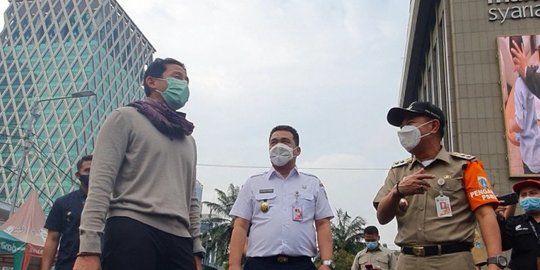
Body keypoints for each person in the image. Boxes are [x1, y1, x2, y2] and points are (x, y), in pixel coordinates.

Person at [73, 58, 204, 270]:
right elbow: (101, 184)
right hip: (132, 228)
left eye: (187, 81)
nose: (184, 85)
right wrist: (88, 248)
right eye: (177, 77)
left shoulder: (188, 139)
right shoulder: (125, 118)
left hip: (179, 239)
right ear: (151, 82)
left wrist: (196, 249)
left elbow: (191, 200)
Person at [373, 101, 505, 270]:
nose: (403, 131)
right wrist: (397, 191)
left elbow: (485, 215)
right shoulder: (398, 171)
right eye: (402, 126)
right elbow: (382, 217)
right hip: (408, 261)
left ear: (434, 126)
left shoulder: (466, 166)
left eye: (410, 124)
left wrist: (495, 262)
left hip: (453, 260)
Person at [228, 125, 335, 270]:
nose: (278, 146)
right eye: (273, 142)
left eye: (285, 141)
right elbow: (240, 225)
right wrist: (234, 265)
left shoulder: (313, 184)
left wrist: (326, 263)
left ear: (297, 150)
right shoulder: (253, 183)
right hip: (259, 264)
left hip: (301, 264)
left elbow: (322, 224)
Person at [41, 155, 92, 270]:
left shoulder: (110, 204)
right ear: (78, 175)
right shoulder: (62, 203)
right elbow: (52, 239)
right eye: (87, 170)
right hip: (68, 265)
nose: (91, 174)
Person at [509, 38, 540, 174]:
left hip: (532, 160)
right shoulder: (523, 81)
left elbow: (517, 128)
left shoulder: (524, 80)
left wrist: (512, 125)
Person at [497, 179, 540, 270]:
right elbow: (504, 245)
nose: (528, 197)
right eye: (523, 195)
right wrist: (499, 219)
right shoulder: (514, 222)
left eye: (533, 193)